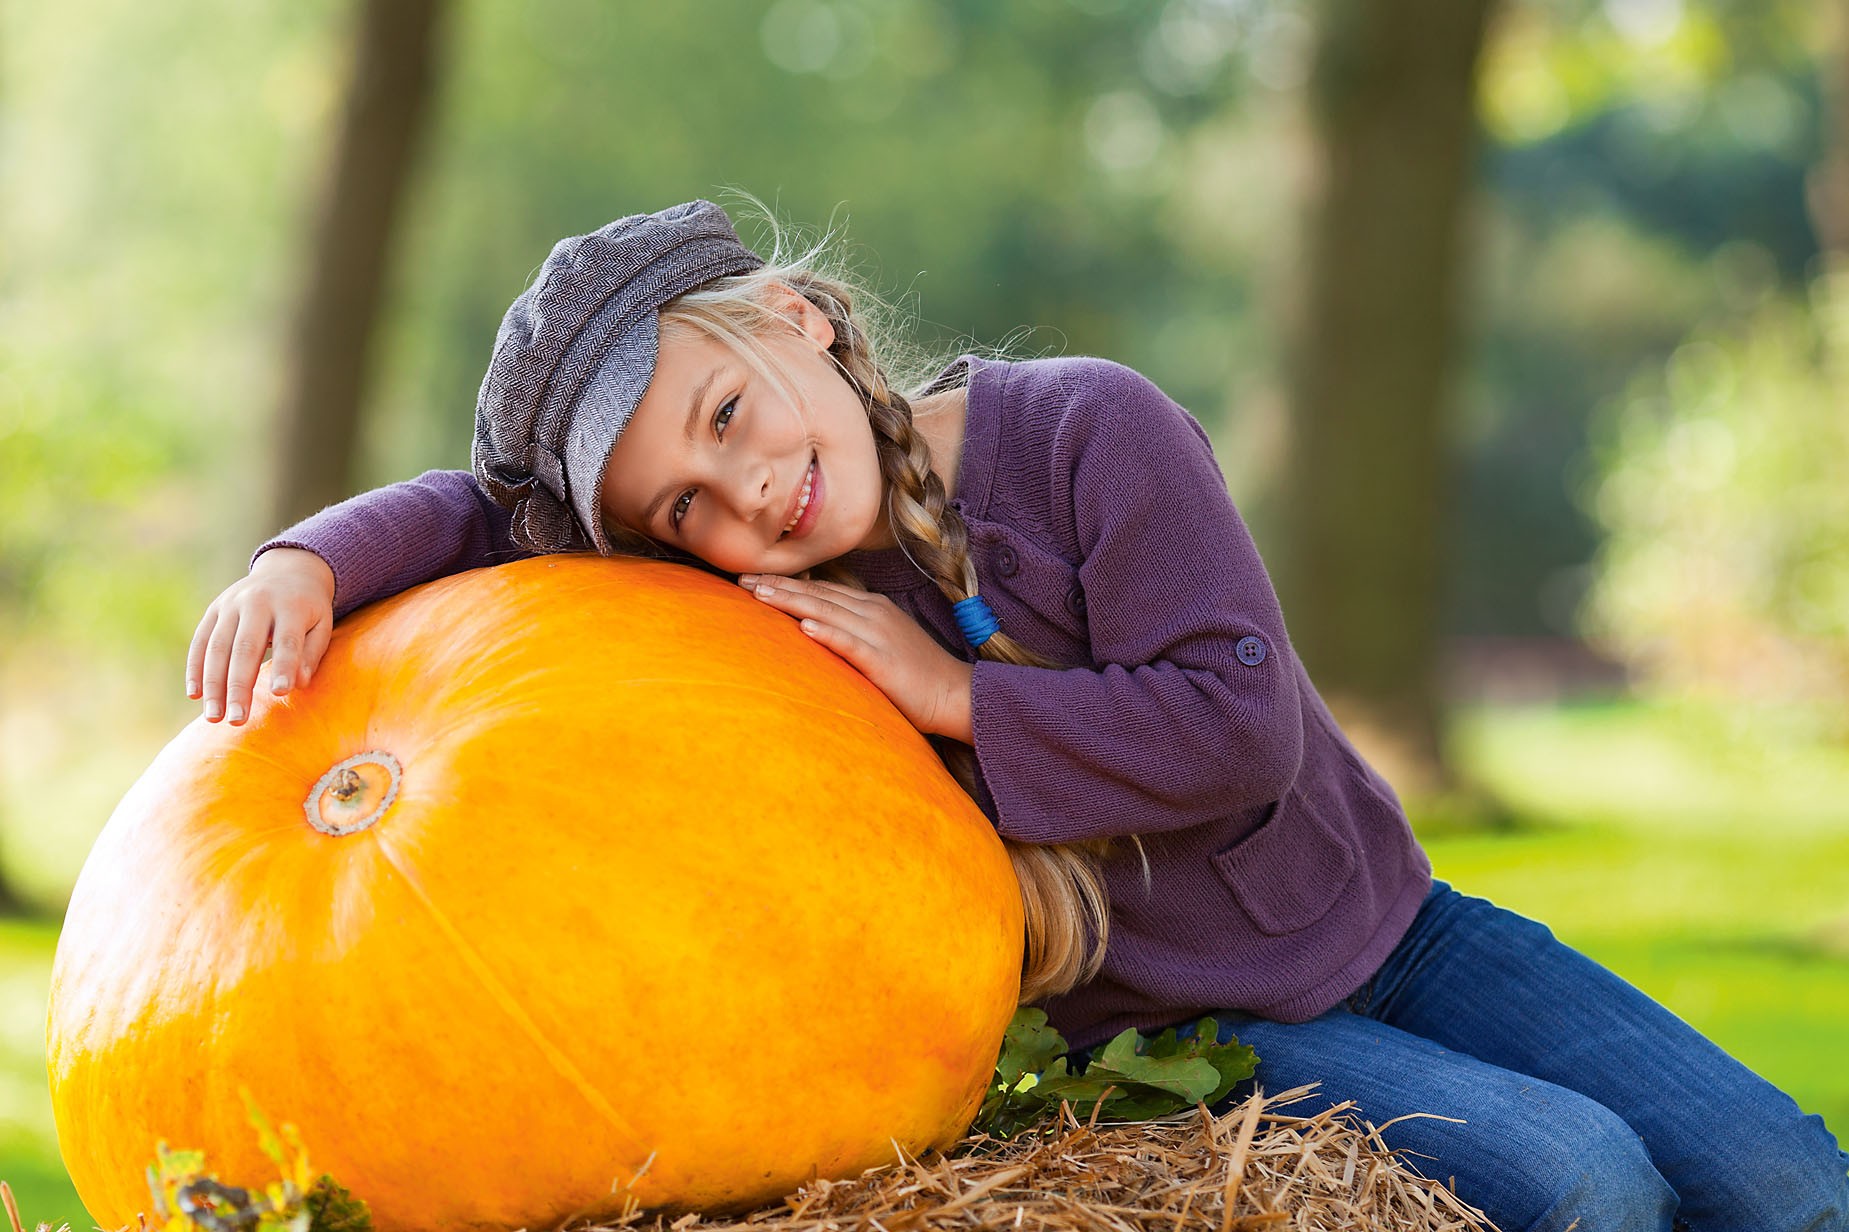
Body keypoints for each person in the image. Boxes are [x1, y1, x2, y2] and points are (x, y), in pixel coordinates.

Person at [184, 199, 1848, 1231]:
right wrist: (303, 562)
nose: (744, 492)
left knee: (1784, 1183)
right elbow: (480, 515)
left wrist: (947, 695)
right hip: (1187, 1023)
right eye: (683, 504)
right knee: (1583, 1185)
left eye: (727, 413)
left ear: (797, 319)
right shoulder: (753, 604)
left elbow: (1235, 730)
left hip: (1397, 930)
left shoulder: (1086, 434)